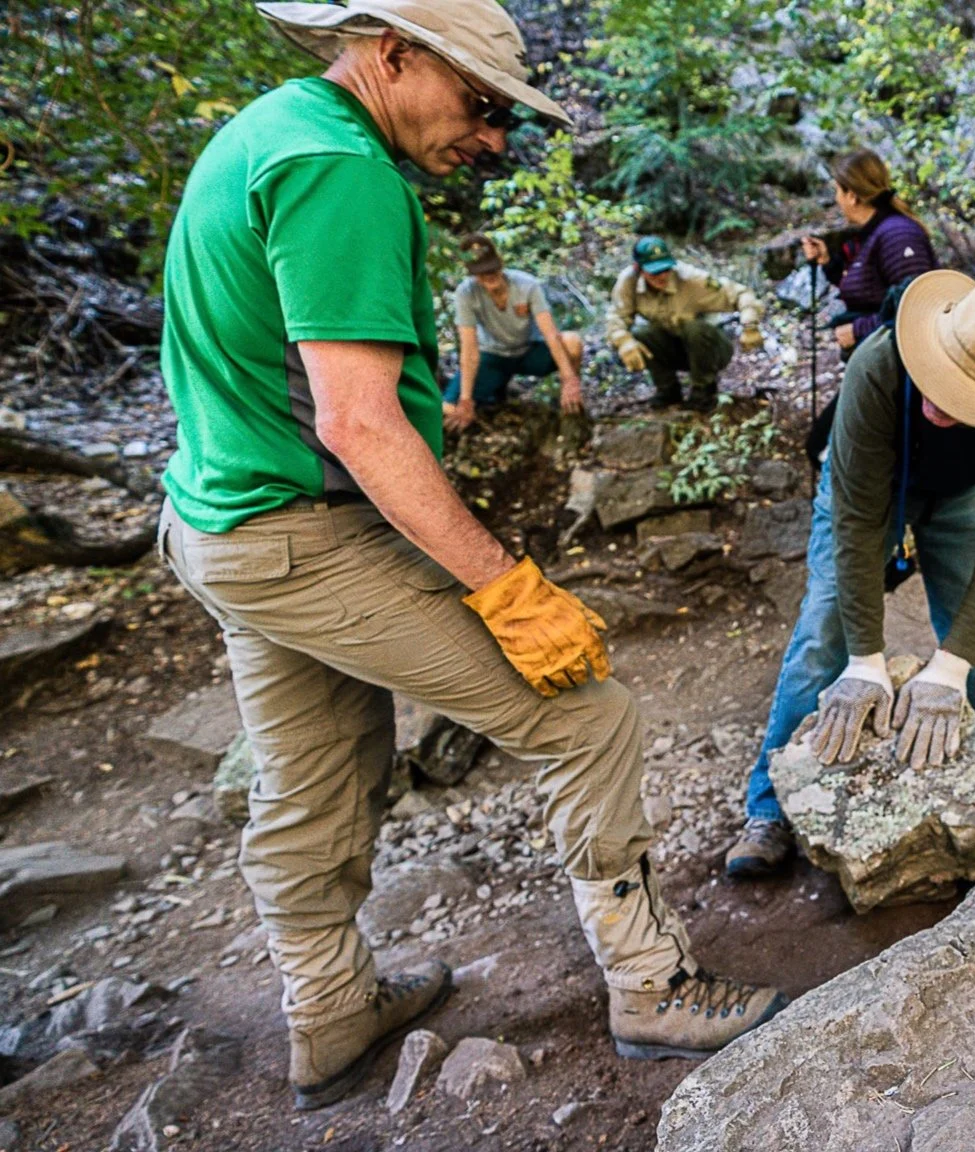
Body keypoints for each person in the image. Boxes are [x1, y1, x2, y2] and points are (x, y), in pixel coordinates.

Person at [157, 0, 780, 1111]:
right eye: (480, 104)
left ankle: (329, 1011)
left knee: (313, 776)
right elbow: (358, 423)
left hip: (221, 523)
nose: (491, 137)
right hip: (302, 532)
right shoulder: (340, 169)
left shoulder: (265, 130)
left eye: (503, 118)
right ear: (393, 53)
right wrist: (506, 585)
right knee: (587, 716)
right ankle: (653, 986)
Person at [724, 270, 975, 878]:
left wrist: (949, 669)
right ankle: (770, 807)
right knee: (824, 629)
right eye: (941, 376)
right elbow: (858, 523)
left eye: (965, 395)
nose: (941, 400)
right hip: (869, 487)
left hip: (962, 495)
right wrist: (865, 660)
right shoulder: (879, 363)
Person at [800, 149, 938, 359]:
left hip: (905, 364)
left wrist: (858, 330)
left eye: (837, 191)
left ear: (851, 196)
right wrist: (827, 262)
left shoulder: (898, 236)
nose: (836, 199)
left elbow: (916, 307)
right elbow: (869, 288)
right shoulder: (873, 233)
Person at [441, 232, 583, 431]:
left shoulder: (527, 285)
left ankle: (570, 407)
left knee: (572, 342)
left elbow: (551, 334)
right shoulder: (466, 293)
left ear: (500, 264)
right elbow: (469, 348)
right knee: (448, 408)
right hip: (492, 356)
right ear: (473, 274)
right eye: (482, 272)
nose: (489, 275)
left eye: (492, 269)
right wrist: (465, 399)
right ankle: (494, 394)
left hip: (528, 351)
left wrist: (569, 379)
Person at [604, 236, 763, 411]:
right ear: (638, 268)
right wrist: (623, 341)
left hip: (712, 350)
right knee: (640, 333)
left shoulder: (691, 279)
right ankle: (668, 390)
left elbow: (741, 293)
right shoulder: (629, 282)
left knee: (694, 328)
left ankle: (704, 390)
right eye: (654, 272)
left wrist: (750, 326)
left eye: (665, 269)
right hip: (675, 349)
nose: (662, 276)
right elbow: (616, 316)